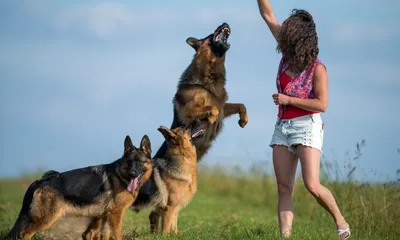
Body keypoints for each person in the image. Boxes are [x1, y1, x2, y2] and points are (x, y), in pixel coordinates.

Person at [256, 0, 351, 239]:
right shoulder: (287, 52)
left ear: (299, 38)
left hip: (307, 126)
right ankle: (285, 237)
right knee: (284, 187)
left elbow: (322, 104)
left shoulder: (317, 69)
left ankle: (340, 220)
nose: (283, 36)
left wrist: (288, 100)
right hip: (282, 127)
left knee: (311, 185)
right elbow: (268, 15)